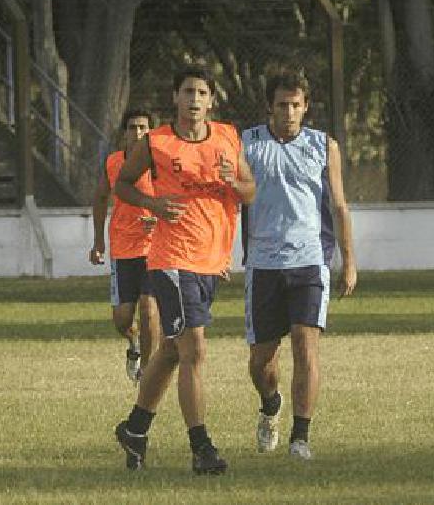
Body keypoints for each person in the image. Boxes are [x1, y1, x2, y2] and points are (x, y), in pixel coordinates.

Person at [112, 65, 256, 474]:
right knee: (194, 350)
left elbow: (250, 190)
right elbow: (123, 184)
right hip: (171, 260)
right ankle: (201, 448)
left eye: (202, 93)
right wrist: (153, 205)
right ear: (175, 98)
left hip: (210, 263)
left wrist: (233, 182)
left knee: (172, 350)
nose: (194, 99)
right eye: (187, 91)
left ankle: (136, 427)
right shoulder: (157, 143)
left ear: (211, 100)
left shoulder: (227, 138)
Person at [241, 69, 357, 460]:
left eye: (296, 104)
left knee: (305, 348)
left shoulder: (324, 146)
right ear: (269, 107)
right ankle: (270, 405)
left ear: (306, 106)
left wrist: (349, 262)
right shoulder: (248, 144)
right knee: (261, 361)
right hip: (262, 263)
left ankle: (300, 438)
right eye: (282, 105)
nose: (289, 111)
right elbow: (233, 201)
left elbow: (339, 206)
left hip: (310, 261)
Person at [89, 109, 160, 384]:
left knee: (149, 307)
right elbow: (100, 198)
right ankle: (135, 345)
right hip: (122, 249)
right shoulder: (114, 163)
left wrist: (157, 220)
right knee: (122, 319)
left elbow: (176, 200)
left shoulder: (160, 165)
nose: (139, 133)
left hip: (154, 249)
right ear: (125, 133)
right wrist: (98, 241)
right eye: (133, 128)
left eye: (144, 128)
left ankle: (149, 372)